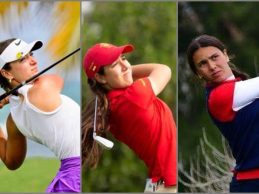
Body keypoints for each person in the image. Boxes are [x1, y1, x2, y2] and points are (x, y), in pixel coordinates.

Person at [82, 43, 177, 192]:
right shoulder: (135, 95)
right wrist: (128, 71)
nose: (125, 65)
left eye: (124, 58)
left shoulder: (110, 107)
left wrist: (122, 72)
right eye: (115, 64)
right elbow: (164, 69)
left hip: (159, 184)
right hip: (168, 184)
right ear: (100, 77)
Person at [0, 38, 80, 193]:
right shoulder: (42, 87)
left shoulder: (13, 120)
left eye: (31, 54)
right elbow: (57, 79)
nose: (33, 61)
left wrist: (11, 98)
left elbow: (11, 161)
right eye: (23, 59)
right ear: (6, 72)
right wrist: (12, 97)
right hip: (75, 175)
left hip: (69, 175)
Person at [187, 34, 259, 192]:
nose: (212, 66)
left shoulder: (241, 87)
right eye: (203, 64)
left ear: (225, 55)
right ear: (198, 72)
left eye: (215, 57)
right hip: (252, 184)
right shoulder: (219, 97)